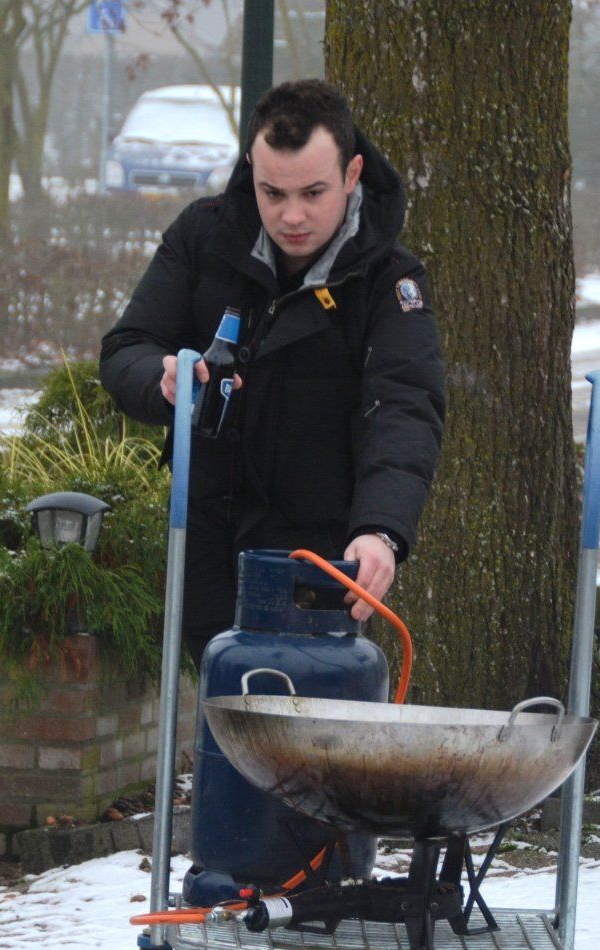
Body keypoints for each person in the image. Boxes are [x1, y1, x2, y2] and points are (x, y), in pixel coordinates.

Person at [99, 79, 445, 662]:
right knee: (215, 707)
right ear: (250, 171)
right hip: (205, 541)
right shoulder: (202, 236)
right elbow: (125, 348)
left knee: (302, 705)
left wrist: (381, 530)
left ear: (352, 174)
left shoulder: (390, 281)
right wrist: (163, 378)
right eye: (272, 192)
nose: (292, 216)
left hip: (318, 560)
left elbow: (406, 407)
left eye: (313, 192)